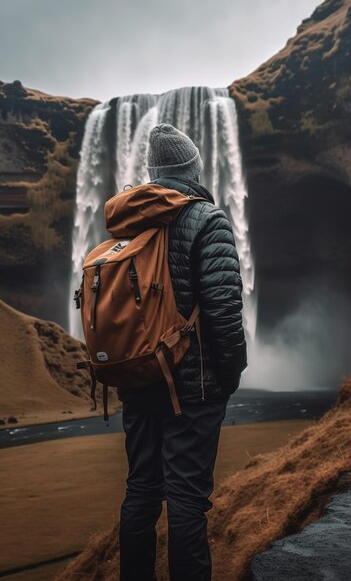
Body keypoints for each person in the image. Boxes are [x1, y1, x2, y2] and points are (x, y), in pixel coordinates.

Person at [118, 123, 247, 581]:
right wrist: (227, 377)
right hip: (191, 386)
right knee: (188, 500)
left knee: (141, 492)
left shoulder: (126, 220)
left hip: (137, 378)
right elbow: (224, 309)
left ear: (154, 173)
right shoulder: (207, 218)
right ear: (192, 169)